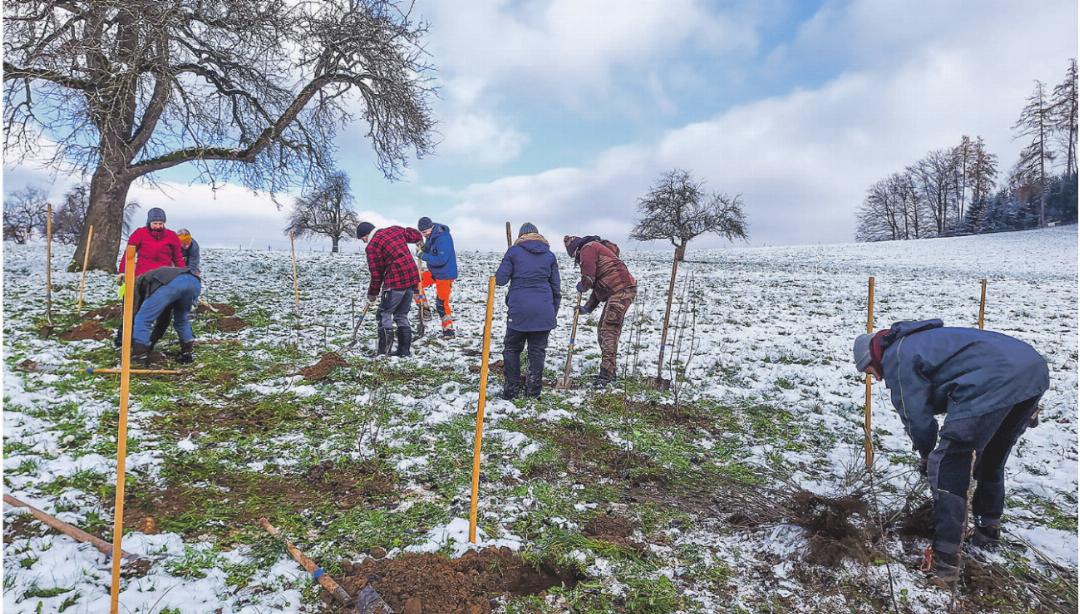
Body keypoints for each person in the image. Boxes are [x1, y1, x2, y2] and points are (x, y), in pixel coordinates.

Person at [852, 319, 1049, 584]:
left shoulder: (896, 357)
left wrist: (926, 454)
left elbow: (916, 417)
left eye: (869, 370)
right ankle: (987, 532)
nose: (875, 377)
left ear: (874, 356)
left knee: (946, 466)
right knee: (990, 458)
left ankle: (945, 562)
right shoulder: (917, 342)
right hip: (1031, 371)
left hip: (993, 382)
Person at [495, 223, 561, 399]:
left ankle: (511, 390)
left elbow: (500, 280)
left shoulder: (513, 252)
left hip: (519, 312)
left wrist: (508, 259)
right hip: (544, 311)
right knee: (537, 351)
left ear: (520, 236)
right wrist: (551, 312)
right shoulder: (550, 256)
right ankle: (533, 391)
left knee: (511, 349)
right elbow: (556, 289)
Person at [563, 235, 637, 387]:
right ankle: (610, 370)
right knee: (602, 330)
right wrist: (587, 308)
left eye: (574, 257)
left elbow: (589, 279)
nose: (577, 261)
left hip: (621, 290)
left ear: (576, 250)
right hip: (619, 290)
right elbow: (597, 286)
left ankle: (607, 374)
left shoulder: (588, 249)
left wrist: (583, 285)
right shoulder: (595, 248)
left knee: (608, 330)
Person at [114, 208, 185, 347]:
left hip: (163, 280)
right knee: (134, 307)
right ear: (149, 222)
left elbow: (178, 257)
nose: (158, 226)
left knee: (164, 310)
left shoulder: (171, 236)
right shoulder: (139, 234)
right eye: (155, 223)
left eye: (160, 223)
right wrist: (123, 271)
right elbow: (129, 253)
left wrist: (183, 274)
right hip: (142, 278)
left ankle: (152, 340)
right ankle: (123, 338)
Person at [357, 221, 423, 357]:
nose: (364, 242)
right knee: (401, 315)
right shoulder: (394, 230)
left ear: (366, 235)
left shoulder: (372, 246)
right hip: (412, 278)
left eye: (362, 238)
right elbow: (413, 233)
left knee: (384, 314)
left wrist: (372, 294)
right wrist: (419, 240)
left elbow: (376, 274)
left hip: (395, 281)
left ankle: (383, 352)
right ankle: (404, 351)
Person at [130, 266, 202, 365]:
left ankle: (139, 357)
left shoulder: (137, 284)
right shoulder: (154, 280)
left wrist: (145, 343)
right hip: (194, 282)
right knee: (181, 319)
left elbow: (133, 312)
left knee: (143, 319)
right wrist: (153, 340)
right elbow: (164, 320)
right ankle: (187, 352)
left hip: (172, 284)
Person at [416, 217, 458, 338]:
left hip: (445, 274)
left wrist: (423, 255)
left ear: (431, 227)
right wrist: (424, 248)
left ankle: (448, 330)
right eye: (422, 233)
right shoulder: (431, 236)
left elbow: (441, 259)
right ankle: (425, 310)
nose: (424, 235)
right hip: (434, 272)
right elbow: (431, 250)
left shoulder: (443, 238)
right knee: (415, 283)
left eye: (425, 232)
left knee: (441, 303)